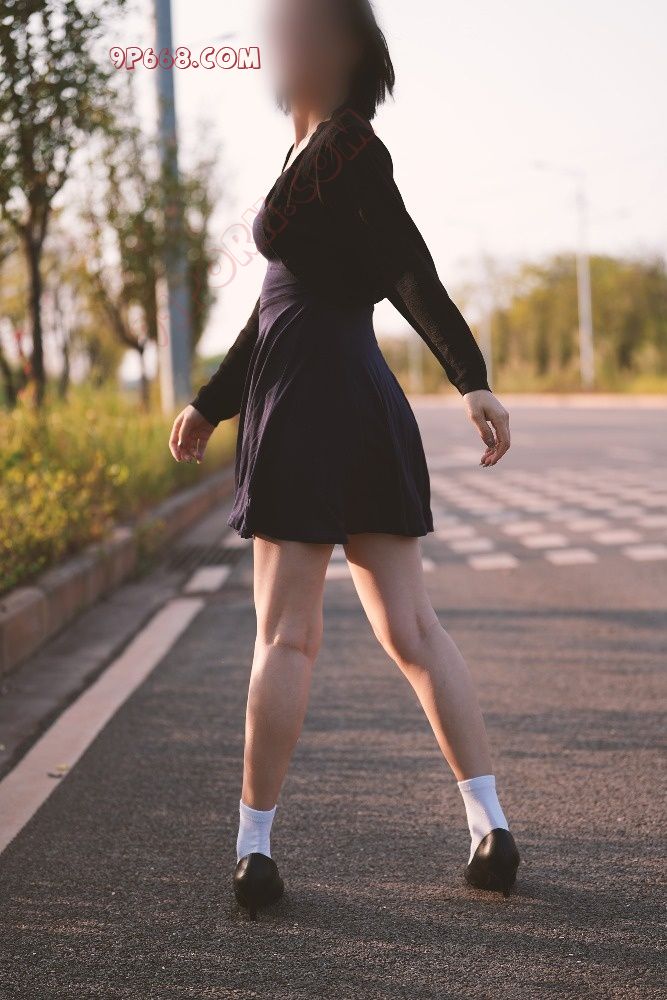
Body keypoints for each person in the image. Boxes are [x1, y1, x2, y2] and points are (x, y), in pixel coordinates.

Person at [169, 0, 520, 918]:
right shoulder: (308, 154)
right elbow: (275, 306)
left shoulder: (348, 145)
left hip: (305, 406)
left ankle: (253, 847)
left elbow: (406, 261)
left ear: (339, 50)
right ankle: (488, 826)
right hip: (357, 404)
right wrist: (210, 402)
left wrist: (470, 376)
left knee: (286, 635)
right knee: (413, 629)